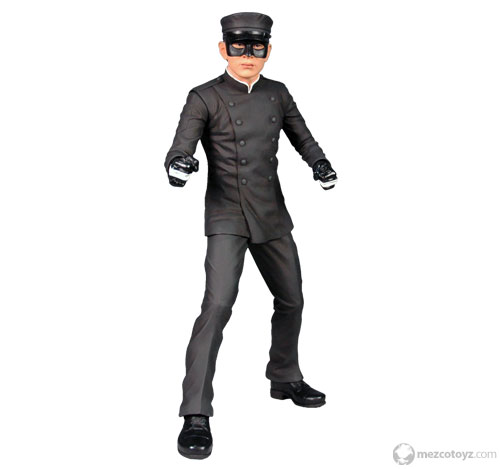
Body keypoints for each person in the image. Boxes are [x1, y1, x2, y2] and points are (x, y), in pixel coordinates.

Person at [164, 12, 338, 459]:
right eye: (238, 48)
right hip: (226, 213)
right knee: (217, 305)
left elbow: (303, 137)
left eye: (256, 48)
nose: (247, 56)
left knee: (292, 298)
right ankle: (195, 412)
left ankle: (285, 376)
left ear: (268, 50)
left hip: (271, 212)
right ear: (223, 50)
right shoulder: (203, 96)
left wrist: (319, 163)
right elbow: (182, 144)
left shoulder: (278, 93)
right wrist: (179, 164)